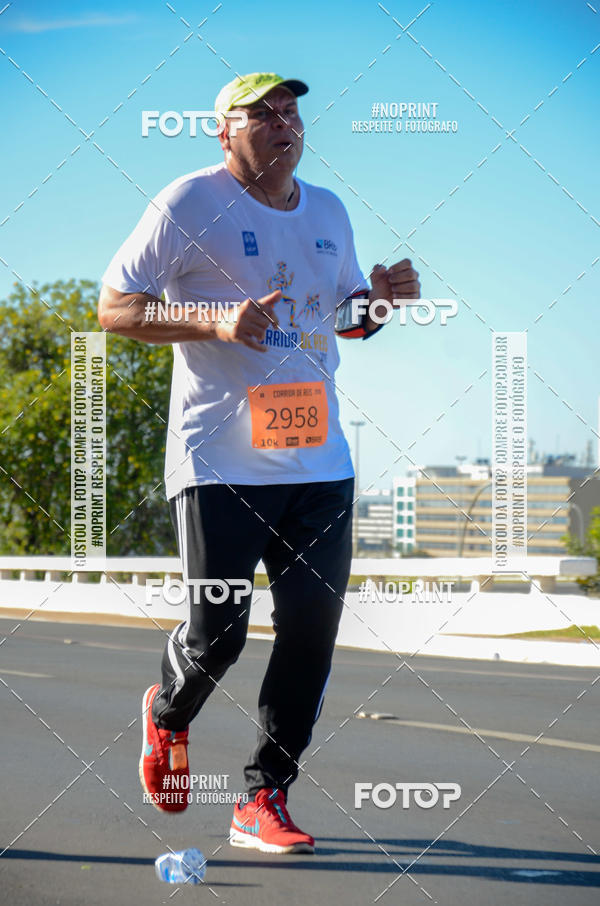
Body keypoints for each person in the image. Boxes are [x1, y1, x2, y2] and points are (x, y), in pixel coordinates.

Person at [98, 72, 420, 855]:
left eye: (292, 112)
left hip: (319, 463)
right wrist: (214, 318)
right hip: (219, 461)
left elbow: (339, 319)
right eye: (264, 113)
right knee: (221, 634)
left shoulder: (329, 211)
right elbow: (114, 307)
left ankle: (263, 797)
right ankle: (168, 714)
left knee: (312, 633)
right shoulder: (187, 204)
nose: (285, 123)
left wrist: (376, 302)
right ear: (224, 133)